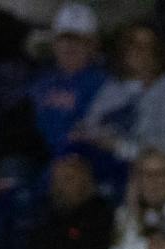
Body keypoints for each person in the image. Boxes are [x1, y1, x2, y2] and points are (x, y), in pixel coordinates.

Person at [72, 21, 165, 163]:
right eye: (133, 44)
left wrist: (120, 147)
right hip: (111, 164)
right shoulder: (113, 86)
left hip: (157, 168)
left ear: (157, 52)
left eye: (147, 46)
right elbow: (90, 126)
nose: (139, 51)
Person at [20, 152, 113, 249]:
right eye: (57, 180)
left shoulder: (100, 216)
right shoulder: (42, 217)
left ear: (85, 183)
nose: (61, 187)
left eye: (69, 179)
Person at [27, 3, 108, 155]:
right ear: (54, 43)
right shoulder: (41, 82)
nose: (70, 46)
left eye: (78, 40)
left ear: (93, 45)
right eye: (64, 39)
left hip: (83, 159)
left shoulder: (104, 84)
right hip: (40, 157)